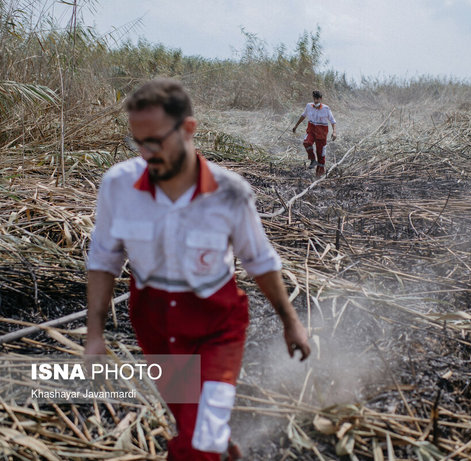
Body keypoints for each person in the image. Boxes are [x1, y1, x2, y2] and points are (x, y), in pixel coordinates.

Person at [85, 78, 311, 461]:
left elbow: (259, 260)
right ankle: (219, 445)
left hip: (217, 325)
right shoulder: (117, 186)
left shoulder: (229, 192)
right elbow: (103, 261)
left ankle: (209, 445)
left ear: (188, 128)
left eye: (156, 141)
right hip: (154, 324)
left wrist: (291, 322)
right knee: (191, 420)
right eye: (138, 142)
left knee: (197, 442)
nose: (147, 153)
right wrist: (94, 335)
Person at [292, 90, 337, 178]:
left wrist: (334, 132)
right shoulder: (309, 106)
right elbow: (303, 115)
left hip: (322, 134)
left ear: (321, 99)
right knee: (306, 142)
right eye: (314, 99)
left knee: (321, 155)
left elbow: (332, 121)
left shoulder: (326, 109)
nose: (316, 101)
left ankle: (319, 176)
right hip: (311, 130)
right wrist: (296, 126)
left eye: (317, 99)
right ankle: (313, 160)